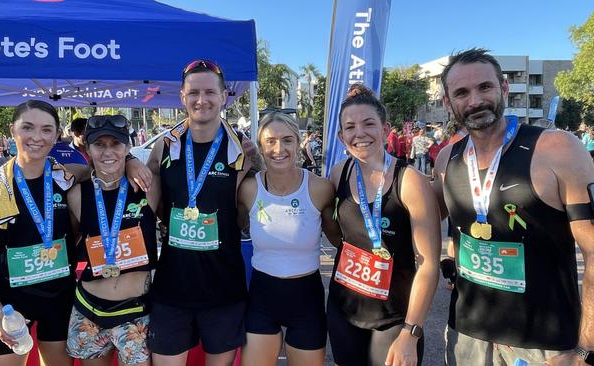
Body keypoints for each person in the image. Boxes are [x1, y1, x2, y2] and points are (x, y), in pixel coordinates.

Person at [432, 48, 594, 366]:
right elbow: (425, 218)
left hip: (546, 343)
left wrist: (587, 350)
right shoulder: (446, 159)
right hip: (467, 335)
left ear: (504, 88)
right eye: (461, 93)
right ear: (448, 103)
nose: (475, 100)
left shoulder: (558, 149)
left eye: (485, 87)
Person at [146, 59, 255, 366]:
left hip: (224, 290)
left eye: (210, 92)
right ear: (182, 96)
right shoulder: (165, 147)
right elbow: (145, 187)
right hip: (172, 289)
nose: (201, 100)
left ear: (224, 97)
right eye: (193, 92)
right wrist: (129, 162)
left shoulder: (241, 150)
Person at [328, 84, 441, 366]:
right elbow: (339, 234)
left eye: (368, 124)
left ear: (384, 128)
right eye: (350, 127)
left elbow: (428, 264)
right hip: (345, 308)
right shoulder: (339, 173)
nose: (359, 133)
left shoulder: (410, 180)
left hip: (393, 316)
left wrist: (411, 332)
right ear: (341, 136)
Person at [0, 100, 77, 366]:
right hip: (8, 301)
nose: (37, 137)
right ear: (12, 130)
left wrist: (130, 161)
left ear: (57, 135)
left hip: (59, 297)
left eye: (47, 130)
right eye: (28, 127)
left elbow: (110, 167)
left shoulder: (70, 180)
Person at [237, 112, 340, 366]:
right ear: (261, 145)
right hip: (262, 298)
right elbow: (236, 227)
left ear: (298, 143)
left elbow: (340, 239)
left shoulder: (320, 188)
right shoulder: (248, 190)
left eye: (287, 140)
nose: (279, 149)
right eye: (270, 141)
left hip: (307, 300)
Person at [66, 114, 161, 365]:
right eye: (99, 145)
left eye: (116, 144)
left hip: (135, 313)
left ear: (128, 147)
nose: (108, 152)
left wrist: (131, 162)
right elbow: (72, 236)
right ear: (87, 149)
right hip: (89, 309)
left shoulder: (149, 186)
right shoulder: (76, 194)